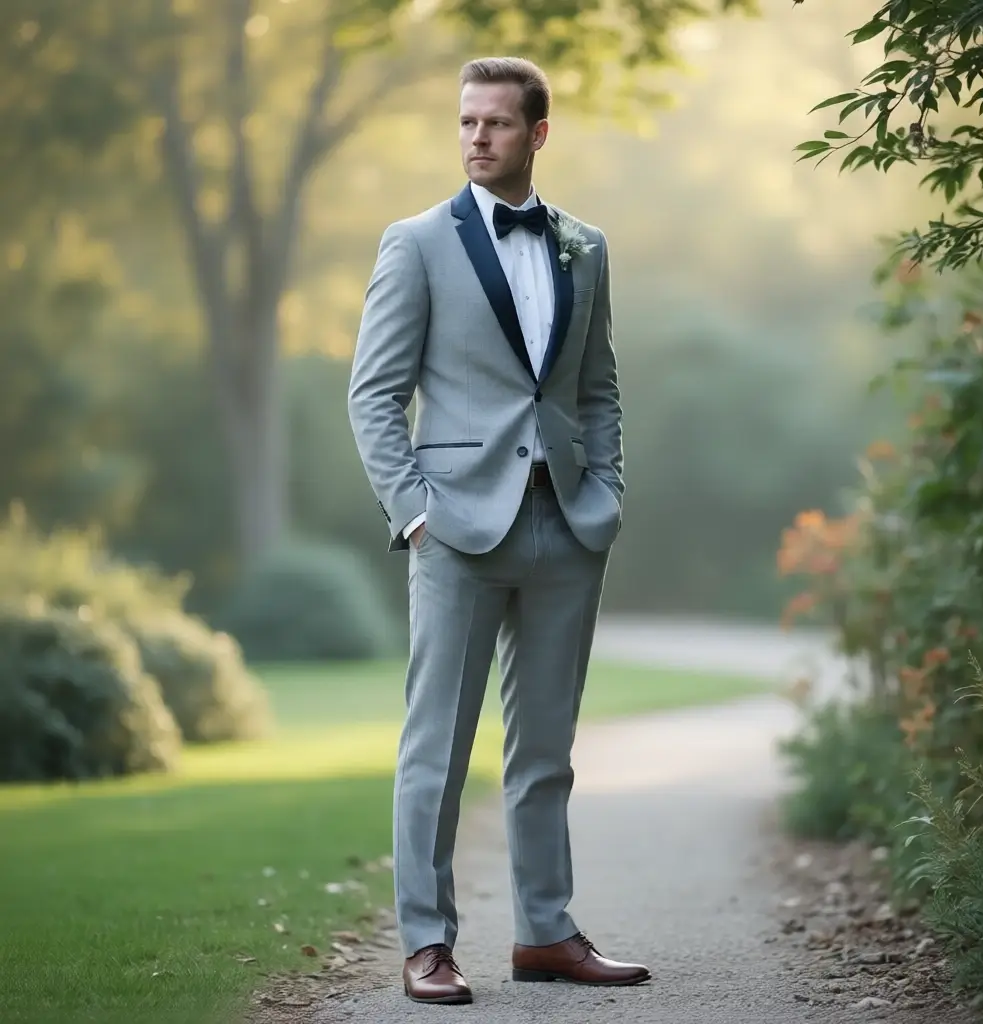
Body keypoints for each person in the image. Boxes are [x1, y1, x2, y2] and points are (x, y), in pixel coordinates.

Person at [347, 54, 649, 1005]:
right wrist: (415, 514)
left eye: (497, 124)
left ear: (538, 134)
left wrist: (605, 491)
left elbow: (598, 389)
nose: (477, 137)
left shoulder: (584, 245)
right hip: (456, 534)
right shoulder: (415, 242)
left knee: (546, 751)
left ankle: (547, 933)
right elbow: (373, 394)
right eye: (467, 122)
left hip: (566, 526)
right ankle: (427, 944)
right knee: (435, 747)